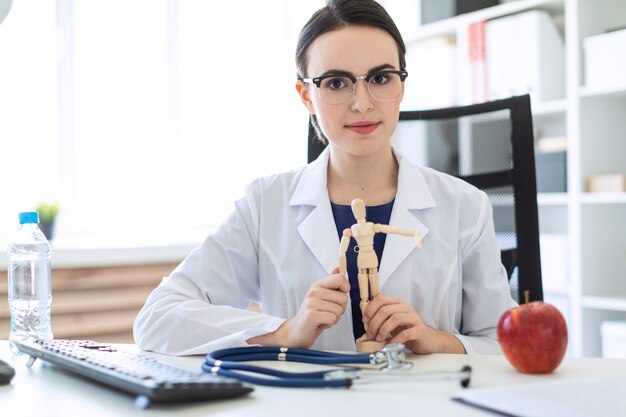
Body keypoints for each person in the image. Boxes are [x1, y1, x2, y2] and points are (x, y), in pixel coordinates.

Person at [133, 0, 517, 356]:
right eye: (336, 83)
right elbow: (157, 319)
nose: (362, 102)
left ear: (401, 85)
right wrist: (286, 332)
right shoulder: (265, 203)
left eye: (381, 78)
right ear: (305, 96)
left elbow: (504, 342)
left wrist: (435, 340)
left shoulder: (464, 205)